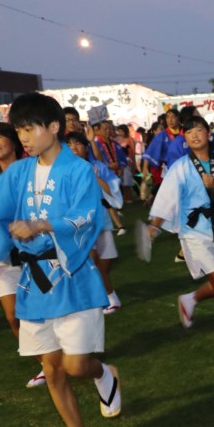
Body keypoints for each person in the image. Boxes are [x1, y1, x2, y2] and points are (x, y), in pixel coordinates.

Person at [0, 92, 122, 427]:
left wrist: (42, 225)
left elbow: (87, 219)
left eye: (29, 129)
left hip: (72, 279)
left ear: (54, 127)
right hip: (33, 284)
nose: (23, 137)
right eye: (19, 130)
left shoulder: (77, 170)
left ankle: (103, 373)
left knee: (77, 365)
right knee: (52, 367)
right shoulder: (18, 172)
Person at [148, 115, 214, 341]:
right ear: (185, 138)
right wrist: (154, 226)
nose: (194, 135)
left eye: (199, 130)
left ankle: (191, 298)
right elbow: (167, 199)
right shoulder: (180, 167)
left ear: (208, 134)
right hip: (195, 232)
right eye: (189, 131)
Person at [0, 122, 47, 387]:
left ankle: (63, 356)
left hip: (37, 253)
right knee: (13, 316)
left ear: (14, 141)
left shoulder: (32, 172)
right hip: (4, 259)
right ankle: (45, 364)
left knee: (47, 310)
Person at [64, 132, 123, 315]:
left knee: (104, 265)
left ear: (85, 147)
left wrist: (95, 177)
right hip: (80, 225)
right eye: (70, 145)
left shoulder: (98, 167)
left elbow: (113, 190)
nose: (74, 148)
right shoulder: (62, 170)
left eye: (78, 144)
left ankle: (98, 295)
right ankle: (111, 297)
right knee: (93, 262)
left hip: (102, 222)